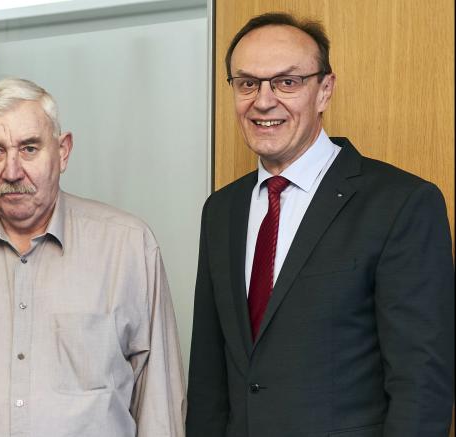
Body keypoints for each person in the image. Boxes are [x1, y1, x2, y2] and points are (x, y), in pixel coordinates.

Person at [187, 12, 455, 437]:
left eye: (287, 82)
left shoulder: (401, 204)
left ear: (324, 90)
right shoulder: (221, 210)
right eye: (247, 83)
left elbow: (421, 382)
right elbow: (208, 374)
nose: (263, 100)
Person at [0, 78, 185, 436]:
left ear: (62, 151)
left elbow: (160, 407)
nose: (12, 171)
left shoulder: (128, 246)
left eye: (29, 148)